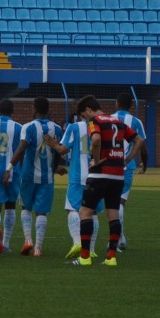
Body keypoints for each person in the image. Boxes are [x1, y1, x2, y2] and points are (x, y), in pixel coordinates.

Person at [71, 95, 144, 267]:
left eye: (83, 115)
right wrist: (127, 159)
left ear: (88, 110)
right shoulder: (117, 121)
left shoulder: (95, 121)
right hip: (118, 175)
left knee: (85, 212)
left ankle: (85, 257)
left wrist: (96, 160)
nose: (84, 119)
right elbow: (138, 140)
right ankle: (111, 257)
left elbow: (96, 140)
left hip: (99, 175)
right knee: (113, 215)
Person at [3, 97, 62, 256]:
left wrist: (9, 168)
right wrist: (55, 168)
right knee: (42, 212)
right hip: (47, 177)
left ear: (34, 109)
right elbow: (58, 151)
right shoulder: (56, 128)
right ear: (48, 110)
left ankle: (28, 239)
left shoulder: (28, 127)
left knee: (25, 207)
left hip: (28, 175)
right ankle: (38, 248)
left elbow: (21, 149)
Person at [45, 116, 103, 259]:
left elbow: (63, 149)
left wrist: (53, 144)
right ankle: (92, 249)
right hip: (96, 175)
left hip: (78, 176)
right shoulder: (102, 127)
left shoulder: (74, 127)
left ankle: (77, 242)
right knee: (93, 211)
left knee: (72, 208)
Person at [113, 92, 149, 251]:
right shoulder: (136, 122)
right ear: (131, 106)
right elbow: (142, 146)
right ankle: (119, 238)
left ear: (116, 104)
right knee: (120, 201)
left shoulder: (108, 119)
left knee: (112, 203)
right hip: (126, 167)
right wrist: (145, 164)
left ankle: (116, 238)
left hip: (109, 166)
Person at [0, 98, 22, 253]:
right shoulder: (19, 127)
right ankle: (6, 244)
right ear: (13, 111)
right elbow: (22, 151)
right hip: (13, 171)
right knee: (10, 206)